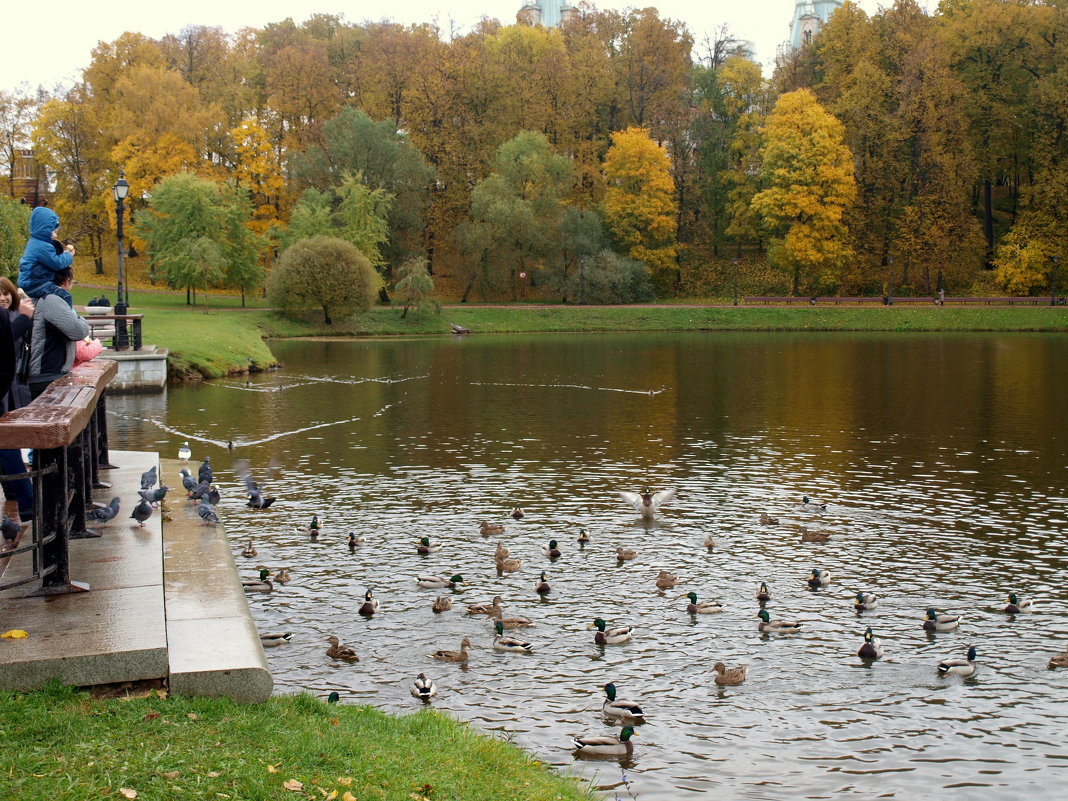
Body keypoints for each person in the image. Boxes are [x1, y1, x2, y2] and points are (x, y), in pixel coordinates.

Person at [0, 278, 35, 526]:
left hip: (13, 390)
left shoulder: (11, 314)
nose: (3, 298)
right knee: (7, 445)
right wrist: (24, 319)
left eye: (6, 293)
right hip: (5, 390)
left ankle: (19, 497)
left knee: (7, 445)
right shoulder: (12, 318)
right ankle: (27, 504)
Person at [27, 267, 89, 399]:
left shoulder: (37, 296)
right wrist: (80, 319)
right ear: (66, 281)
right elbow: (78, 331)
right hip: (47, 375)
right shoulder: (51, 300)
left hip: (40, 374)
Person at [18, 207, 75, 305]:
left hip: (31, 284)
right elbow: (56, 263)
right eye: (55, 232)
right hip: (38, 284)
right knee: (65, 296)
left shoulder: (34, 243)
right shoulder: (42, 246)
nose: (56, 236)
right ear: (45, 230)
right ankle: (66, 318)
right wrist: (68, 255)